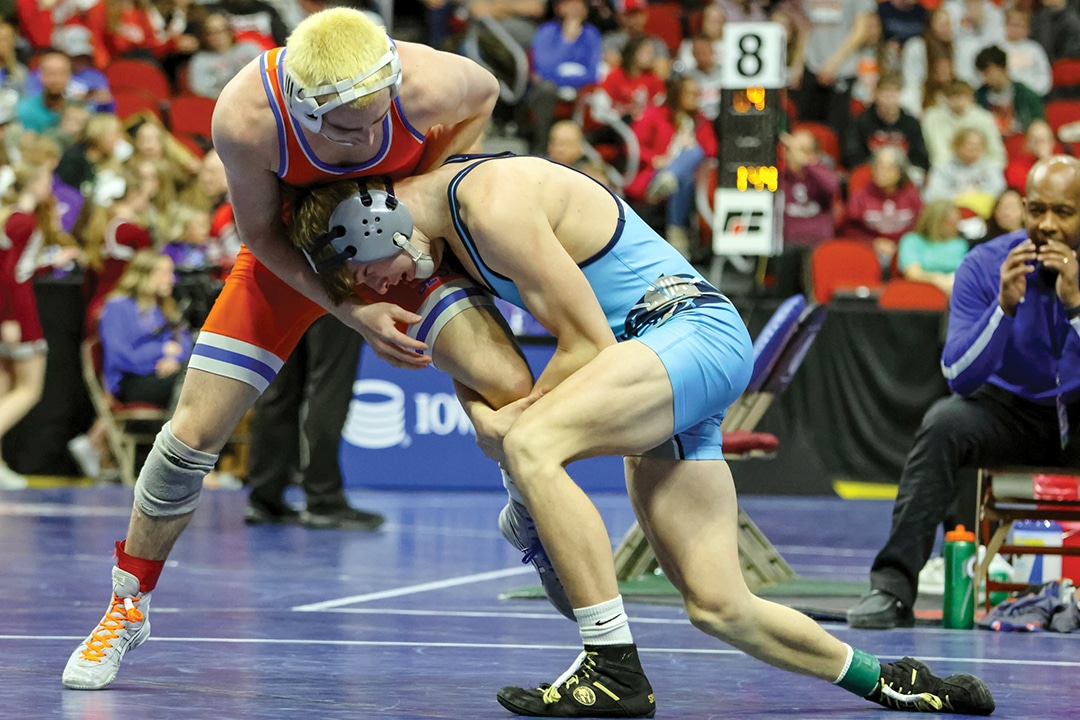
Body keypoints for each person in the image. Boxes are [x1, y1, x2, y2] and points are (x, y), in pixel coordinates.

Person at [294, 153, 997, 717]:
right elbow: (486, 371)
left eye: (361, 272)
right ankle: (895, 681)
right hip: (656, 357)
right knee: (720, 607)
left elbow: (586, 343)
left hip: (686, 333)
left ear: (371, 224)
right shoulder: (446, 236)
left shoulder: (489, 201)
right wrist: (495, 426)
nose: (372, 287)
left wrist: (512, 436)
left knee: (534, 446)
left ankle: (610, 665)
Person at [60, 6, 516, 691]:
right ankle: (127, 605)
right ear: (304, 107)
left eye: (376, 119)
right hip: (295, 251)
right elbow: (261, 237)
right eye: (346, 128)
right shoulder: (247, 114)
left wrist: (420, 195)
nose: (367, 137)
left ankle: (530, 514)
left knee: (508, 387)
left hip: (392, 237)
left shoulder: (427, 82)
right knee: (187, 438)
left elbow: (487, 93)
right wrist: (352, 311)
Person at [847, 154, 1080, 631]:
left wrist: (1075, 307)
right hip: (1009, 414)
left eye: (1064, 212)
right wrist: (1003, 308)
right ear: (1023, 210)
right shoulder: (985, 265)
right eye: (1037, 210)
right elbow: (959, 376)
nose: (1047, 225)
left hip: (1077, 413)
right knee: (943, 423)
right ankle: (891, 588)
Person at [0, 163, 83, 488]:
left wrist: (50, 262)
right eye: (47, 179)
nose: (51, 185)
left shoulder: (11, 218)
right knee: (29, 389)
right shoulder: (23, 221)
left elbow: (19, 269)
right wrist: (10, 318)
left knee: (5, 387)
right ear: (33, 184)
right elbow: (10, 274)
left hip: (10, 310)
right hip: (19, 313)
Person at [98, 250, 192, 409]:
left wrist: (173, 360)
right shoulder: (117, 307)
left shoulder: (163, 305)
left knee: (196, 379)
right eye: (165, 273)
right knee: (187, 386)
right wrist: (160, 351)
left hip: (161, 374)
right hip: (130, 381)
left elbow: (183, 340)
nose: (172, 279)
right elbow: (120, 358)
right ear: (144, 275)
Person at [896, 199, 969, 297]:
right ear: (935, 222)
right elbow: (913, 273)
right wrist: (937, 279)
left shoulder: (960, 244)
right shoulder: (912, 241)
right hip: (921, 292)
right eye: (950, 223)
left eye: (957, 222)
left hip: (956, 292)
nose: (956, 227)